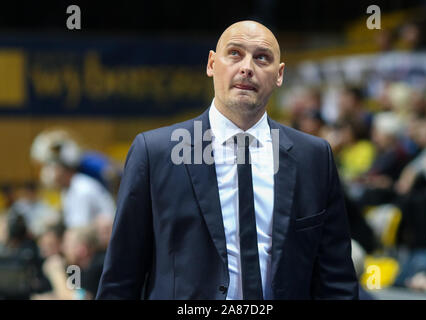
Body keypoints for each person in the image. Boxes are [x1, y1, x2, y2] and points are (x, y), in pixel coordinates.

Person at [97, 20, 358, 300]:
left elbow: (336, 281)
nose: (247, 67)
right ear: (211, 64)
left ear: (279, 74)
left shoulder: (314, 157)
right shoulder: (155, 152)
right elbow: (121, 279)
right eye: (235, 53)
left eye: (262, 58)